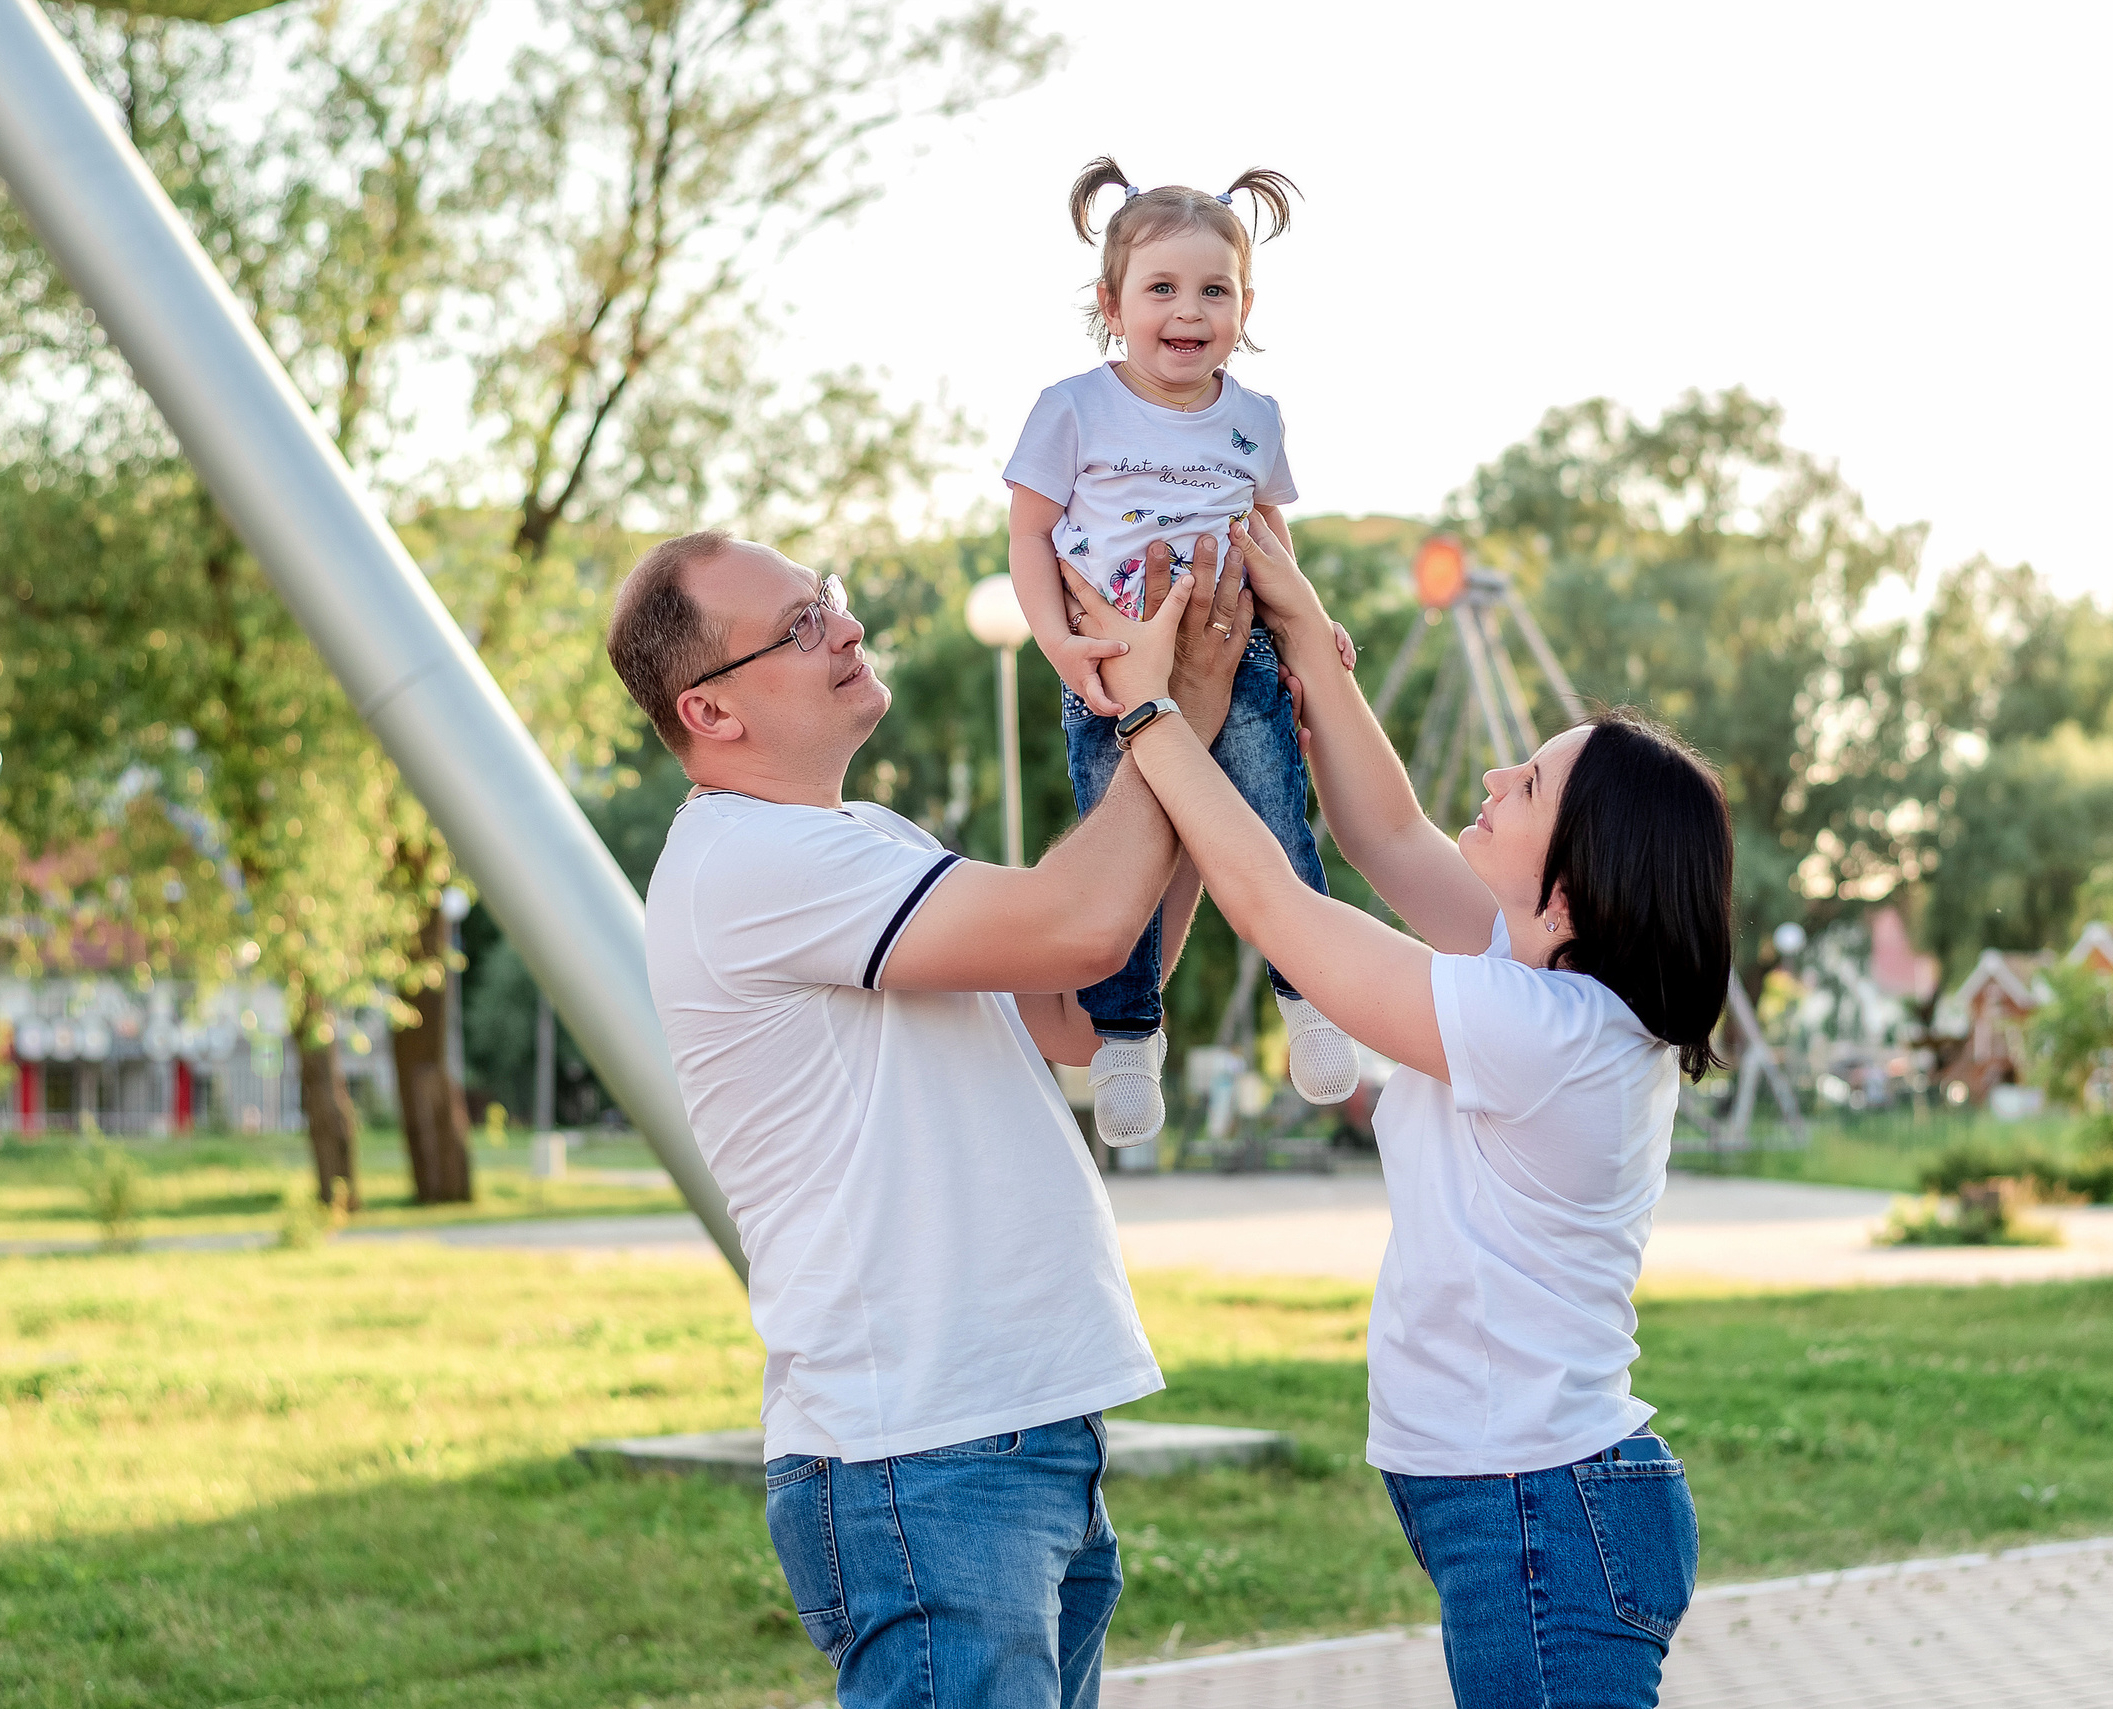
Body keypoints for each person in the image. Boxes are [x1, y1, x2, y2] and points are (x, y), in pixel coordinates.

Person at [1063, 516, 1736, 1709]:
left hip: (1543, 1502)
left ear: (1576, 877)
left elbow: (1279, 908)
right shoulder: (1534, 979)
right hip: (1528, 1497)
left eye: (1525, 783)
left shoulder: (1545, 1032)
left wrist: (1151, 716)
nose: (1491, 778)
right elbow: (1383, 831)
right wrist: (1303, 625)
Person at [605, 531, 1253, 1709]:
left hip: (1013, 1424)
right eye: (799, 626)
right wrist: (1164, 719)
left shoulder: (870, 842)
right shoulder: (746, 861)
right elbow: (1079, 922)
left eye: (829, 600)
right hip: (925, 1447)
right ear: (710, 709)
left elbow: (1079, 1007)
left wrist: (1190, 723)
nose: (845, 627)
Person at [1001, 155, 1358, 1150]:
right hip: (1116, 667)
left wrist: (1306, 620)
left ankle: (1313, 998)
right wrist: (1059, 641)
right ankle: (1124, 1036)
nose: (1188, 310)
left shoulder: (1254, 419)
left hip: (1235, 659)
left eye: (1215, 289)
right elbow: (1029, 536)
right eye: (1162, 287)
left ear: (1246, 304)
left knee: (1277, 823)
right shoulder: (1073, 407)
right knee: (1130, 861)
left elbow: (1268, 531)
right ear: (1112, 303)